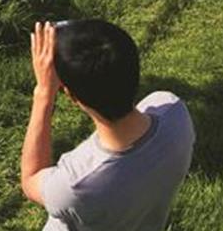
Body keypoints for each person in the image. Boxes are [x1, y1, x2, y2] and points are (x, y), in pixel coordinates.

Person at [22, 19, 195, 231]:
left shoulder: (74, 185)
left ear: (71, 95)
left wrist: (43, 94)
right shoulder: (173, 113)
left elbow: (31, 179)